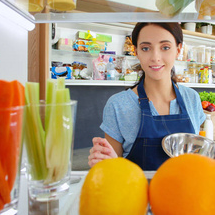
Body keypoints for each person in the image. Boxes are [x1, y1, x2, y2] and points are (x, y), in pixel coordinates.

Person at [88, 22, 205, 170]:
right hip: (136, 191)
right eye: (145, 48)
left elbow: (198, 157)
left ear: (178, 50)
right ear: (136, 51)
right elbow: (112, 172)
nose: (155, 57)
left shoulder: (192, 98)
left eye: (165, 47)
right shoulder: (118, 105)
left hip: (187, 191)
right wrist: (104, 162)